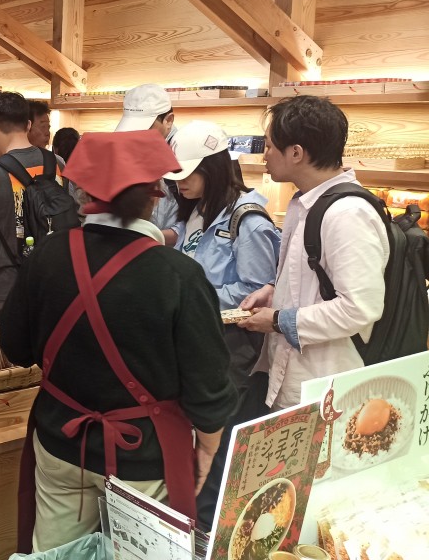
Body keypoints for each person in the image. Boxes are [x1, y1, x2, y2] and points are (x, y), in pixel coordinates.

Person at [0, 130, 238, 553]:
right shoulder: (178, 274)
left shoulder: (48, 256)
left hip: (61, 443)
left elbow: (15, 347)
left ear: (84, 190)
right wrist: (207, 451)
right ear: (156, 194)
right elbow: (207, 382)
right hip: (144, 458)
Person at [239, 95, 388, 409]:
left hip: (325, 384)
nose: (264, 155)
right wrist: (274, 291)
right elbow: (308, 278)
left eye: (268, 146)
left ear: (295, 153)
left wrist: (280, 319)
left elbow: (359, 308)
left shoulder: (347, 214)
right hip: (292, 374)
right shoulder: (304, 202)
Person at [167, 120, 281, 394]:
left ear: (213, 170)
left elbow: (256, 292)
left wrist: (190, 297)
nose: (180, 182)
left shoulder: (248, 220)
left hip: (226, 343)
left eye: (188, 174)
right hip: (194, 336)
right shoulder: (197, 208)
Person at [0, 91, 68, 311]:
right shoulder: (57, 162)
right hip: (56, 277)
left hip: (12, 283)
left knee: (15, 345)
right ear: (29, 124)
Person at [115, 84, 180, 239]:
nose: (135, 136)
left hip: (170, 253)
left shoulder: (188, 154)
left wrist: (149, 237)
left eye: (144, 129)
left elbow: (199, 222)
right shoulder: (125, 149)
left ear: (168, 121)